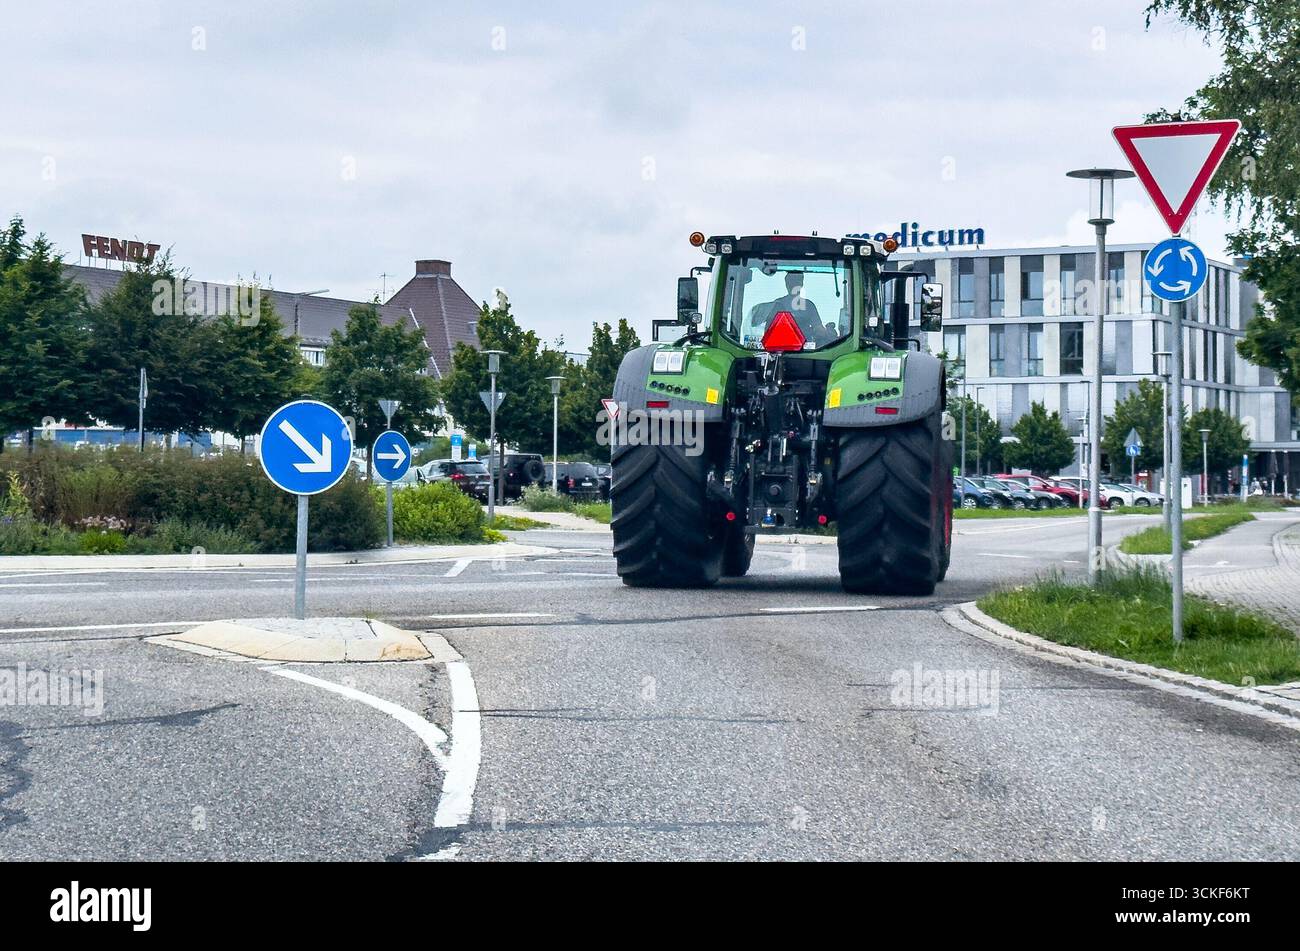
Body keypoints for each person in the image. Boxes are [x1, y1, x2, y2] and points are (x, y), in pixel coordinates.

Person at [753, 272, 832, 344]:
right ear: (787, 284)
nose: (794, 285)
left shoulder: (808, 306)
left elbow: (819, 330)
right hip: (780, 349)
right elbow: (768, 331)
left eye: (797, 282)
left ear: (801, 284)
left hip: (805, 351)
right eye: (792, 282)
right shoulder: (777, 304)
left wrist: (827, 333)